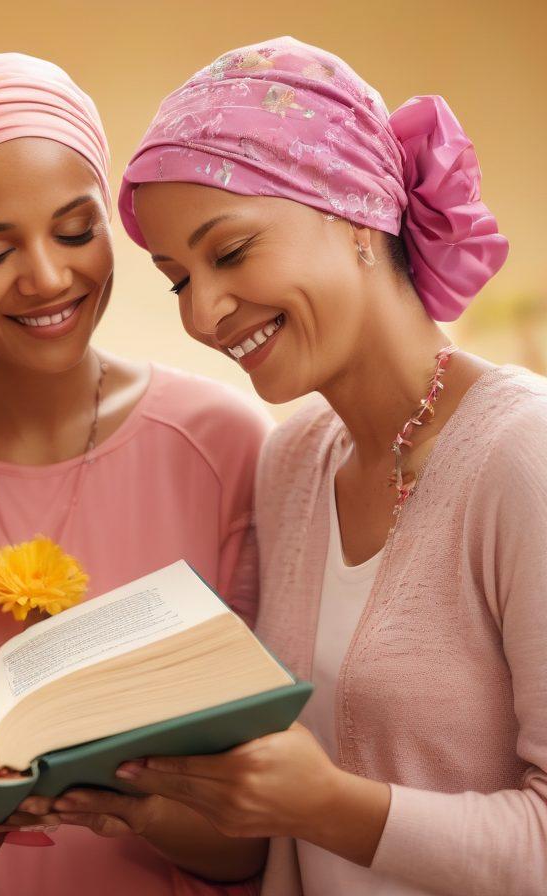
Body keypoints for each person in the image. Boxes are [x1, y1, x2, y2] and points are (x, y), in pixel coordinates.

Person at [0, 47, 272, 896]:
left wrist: (134, 804)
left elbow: (256, 844)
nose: (47, 276)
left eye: (76, 231)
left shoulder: (227, 443)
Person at [116, 36, 544, 896]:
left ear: (356, 215)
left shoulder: (521, 456)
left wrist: (328, 807)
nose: (202, 314)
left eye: (229, 252)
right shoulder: (293, 461)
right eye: (176, 278)